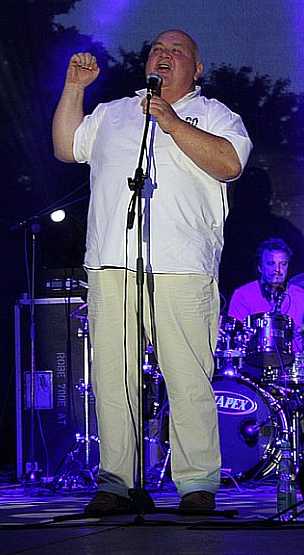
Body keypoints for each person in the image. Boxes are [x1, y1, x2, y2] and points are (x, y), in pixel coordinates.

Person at [52, 30, 252, 514]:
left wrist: (172, 121)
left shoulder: (216, 115)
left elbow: (229, 164)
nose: (164, 55)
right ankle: (116, 482)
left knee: (187, 379)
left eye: (177, 51)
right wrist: (74, 88)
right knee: (112, 378)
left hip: (182, 265)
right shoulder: (113, 112)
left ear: (197, 69)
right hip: (111, 262)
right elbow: (65, 147)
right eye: (158, 50)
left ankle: (196, 483)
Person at [227, 238, 304, 358]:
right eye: (271, 263)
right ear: (260, 267)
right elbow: (234, 336)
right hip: (255, 364)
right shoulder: (242, 294)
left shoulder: (299, 294)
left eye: (283, 264)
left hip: (294, 365)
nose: (277, 269)